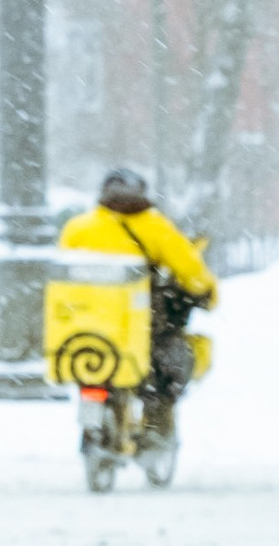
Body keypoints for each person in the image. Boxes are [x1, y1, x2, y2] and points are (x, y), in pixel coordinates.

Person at [59, 166, 217, 441]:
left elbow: (61, 277)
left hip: (87, 329)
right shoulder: (154, 227)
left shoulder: (78, 228)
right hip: (141, 329)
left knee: (94, 375)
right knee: (165, 369)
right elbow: (192, 273)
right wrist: (207, 294)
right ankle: (156, 426)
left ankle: (93, 429)